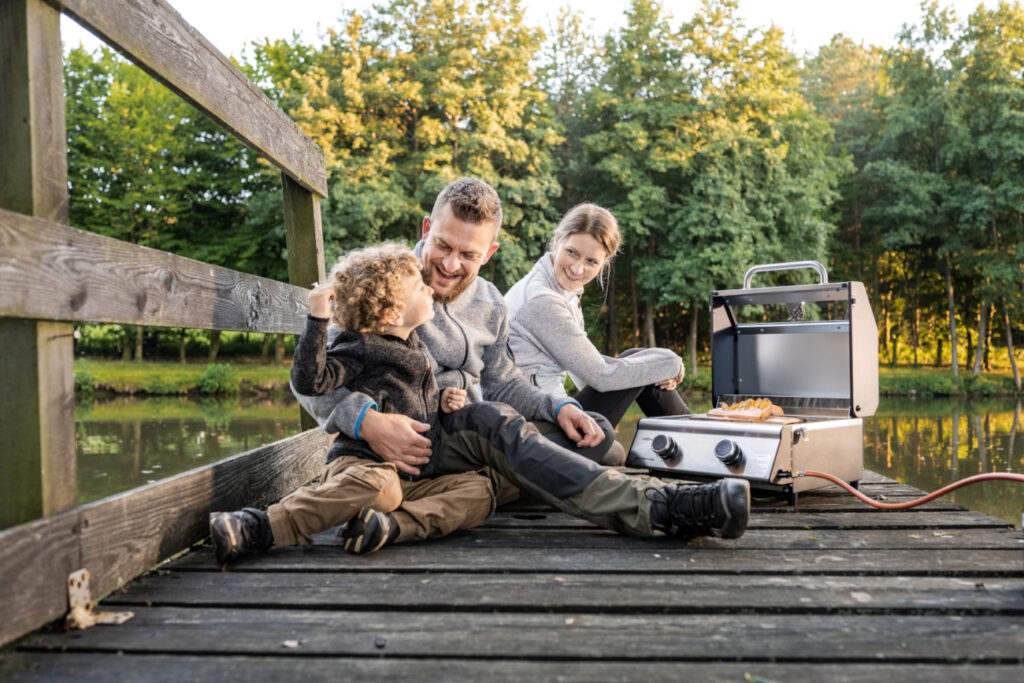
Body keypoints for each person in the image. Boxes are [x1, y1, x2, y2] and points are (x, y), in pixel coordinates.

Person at [290, 179, 751, 547]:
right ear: (427, 228)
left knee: (591, 433)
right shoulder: (390, 283)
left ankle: (496, 482)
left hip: (473, 439)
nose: (450, 265)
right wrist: (367, 421)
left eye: (468, 254)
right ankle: (662, 506)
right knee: (510, 432)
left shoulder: (491, 302)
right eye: (444, 246)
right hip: (414, 441)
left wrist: (557, 408)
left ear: (489, 253)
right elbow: (310, 378)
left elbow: (504, 381)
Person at [209, 244, 497, 565]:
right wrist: (318, 317)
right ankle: (260, 526)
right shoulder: (360, 346)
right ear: (393, 314)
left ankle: (388, 526)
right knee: (383, 489)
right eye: (419, 286)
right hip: (360, 470)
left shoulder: (414, 346)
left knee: (480, 490)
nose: (429, 288)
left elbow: (407, 398)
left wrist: (440, 400)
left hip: (412, 481)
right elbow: (310, 380)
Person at [505, 203, 689, 429]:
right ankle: (700, 441)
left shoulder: (564, 292)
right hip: (531, 423)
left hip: (554, 409)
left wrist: (655, 368)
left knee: (637, 359)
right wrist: (671, 363)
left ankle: (695, 440)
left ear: (604, 263)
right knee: (641, 366)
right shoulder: (542, 299)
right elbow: (602, 376)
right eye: (572, 252)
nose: (577, 269)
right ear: (557, 242)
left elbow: (584, 372)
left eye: (591, 261)